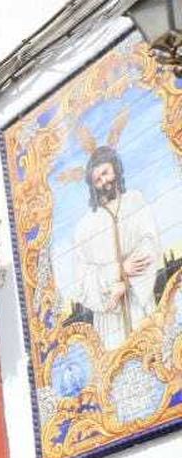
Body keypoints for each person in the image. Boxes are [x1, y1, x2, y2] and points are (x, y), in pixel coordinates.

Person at [72, 145, 162, 350]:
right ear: (92, 186)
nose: (104, 182)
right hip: (110, 320)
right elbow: (82, 281)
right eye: (97, 179)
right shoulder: (85, 227)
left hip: (140, 306)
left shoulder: (135, 201)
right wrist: (117, 273)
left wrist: (127, 283)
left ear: (116, 169)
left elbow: (150, 243)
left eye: (106, 173)